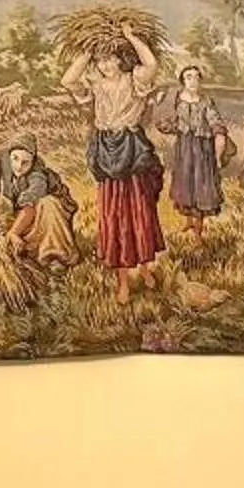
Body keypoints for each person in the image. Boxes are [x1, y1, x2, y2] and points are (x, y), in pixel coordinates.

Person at [62, 30, 166, 301]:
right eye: (101, 61)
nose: (105, 66)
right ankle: (122, 280)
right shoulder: (96, 85)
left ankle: (144, 267)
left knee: (140, 212)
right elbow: (68, 79)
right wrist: (87, 50)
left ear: (122, 60)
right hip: (107, 153)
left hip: (132, 151)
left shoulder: (135, 80)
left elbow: (151, 64)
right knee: (114, 215)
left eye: (110, 59)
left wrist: (131, 37)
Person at [0, 141, 81, 267]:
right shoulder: (0, 158)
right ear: (9, 155)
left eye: (25, 162)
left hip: (52, 212)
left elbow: (29, 205)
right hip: (25, 212)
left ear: (32, 162)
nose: (19, 166)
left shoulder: (38, 174)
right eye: (15, 159)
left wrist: (13, 233)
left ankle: (54, 256)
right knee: (3, 212)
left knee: (48, 203)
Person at [164, 64, 232, 232]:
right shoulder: (179, 97)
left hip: (202, 148)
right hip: (184, 147)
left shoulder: (206, 101)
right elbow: (178, 119)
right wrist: (170, 125)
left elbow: (215, 122)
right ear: (182, 80)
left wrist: (219, 141)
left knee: (201, 186)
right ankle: (188, 221)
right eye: (189, 77)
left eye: (196, 77)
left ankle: (198, 230)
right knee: (185, 183)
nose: (193, 80)